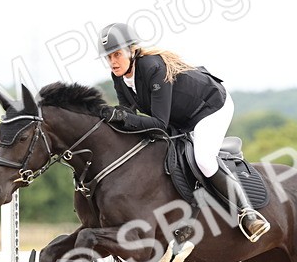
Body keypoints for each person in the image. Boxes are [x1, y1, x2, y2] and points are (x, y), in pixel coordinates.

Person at [96, 22, 270, 242]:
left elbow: (158, 123)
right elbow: (127, 114)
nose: (112, 62)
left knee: (204, 160)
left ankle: (248, 214)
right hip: (180, 118)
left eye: (117, 55)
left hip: (211, 107)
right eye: (108, 57)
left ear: (132, 50)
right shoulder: (119, 77)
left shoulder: (151, 67)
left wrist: (123, 117)